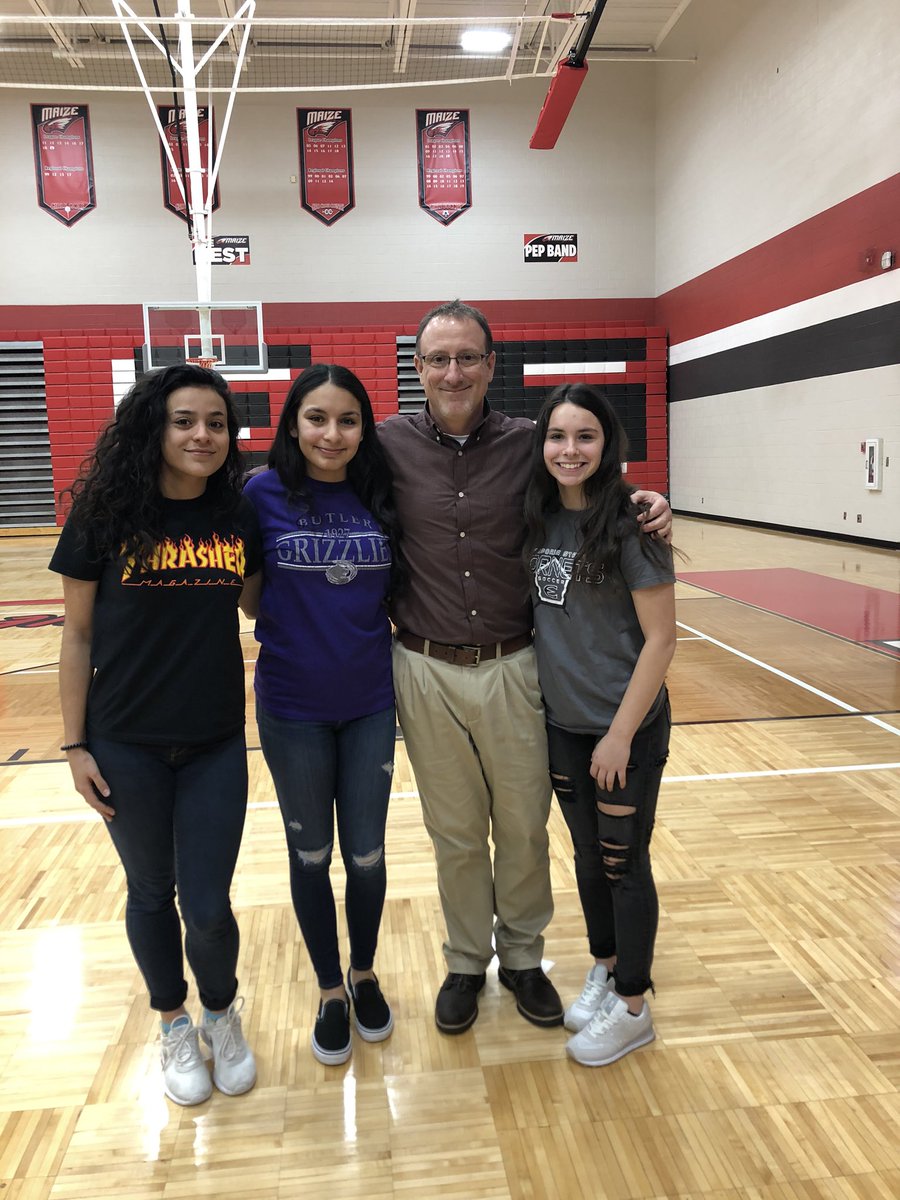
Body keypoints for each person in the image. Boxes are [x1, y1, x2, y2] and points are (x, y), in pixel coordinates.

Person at [378, 300, 673, 1034]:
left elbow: (591, 485)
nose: (453, 372)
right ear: (416, 367)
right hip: (423, 664)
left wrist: (647, 499)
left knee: (523, 826)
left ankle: (522, 958)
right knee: (453, 831)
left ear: (490, 365)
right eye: (437, 358)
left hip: (514, 666)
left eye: (467, 357)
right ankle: (465, 962)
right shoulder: (384, 444)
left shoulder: (528, 444)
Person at [50, 363, 261, 1106]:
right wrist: (74, 747)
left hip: (213, 743)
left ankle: (221, 1010)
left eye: (215, 423)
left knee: (207, 904)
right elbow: (76, 636)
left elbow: (259, 604)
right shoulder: (104, 517)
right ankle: (173, 1021)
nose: (202, 435)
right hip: (125, 743)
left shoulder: (237, 516)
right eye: (184, 420)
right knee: (150, 891)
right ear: (154, 426)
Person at [242, 364, 404, 1066]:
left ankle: (365, 972)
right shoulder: (260, 493)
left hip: (370, 703)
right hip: (292, 708)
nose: (331, 433)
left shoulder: (383, 492)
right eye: (316, 418)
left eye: (347, 420)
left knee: (366, 856)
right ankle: (330, 989)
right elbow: (249, 597)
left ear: (363, 429)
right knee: (311, 855)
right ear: (292, 424)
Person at [525, 383, 676, 1066]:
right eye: (558, 436)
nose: (569, 449)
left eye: (584, 436)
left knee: (624, 862)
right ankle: (607, 967)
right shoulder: (538, 516)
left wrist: (620, 734)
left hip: (625, 729)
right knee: (587, 859)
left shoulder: (633, 523)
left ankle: (635, 1006)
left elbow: (662, 641)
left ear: (608, 444)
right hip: (565, 724)